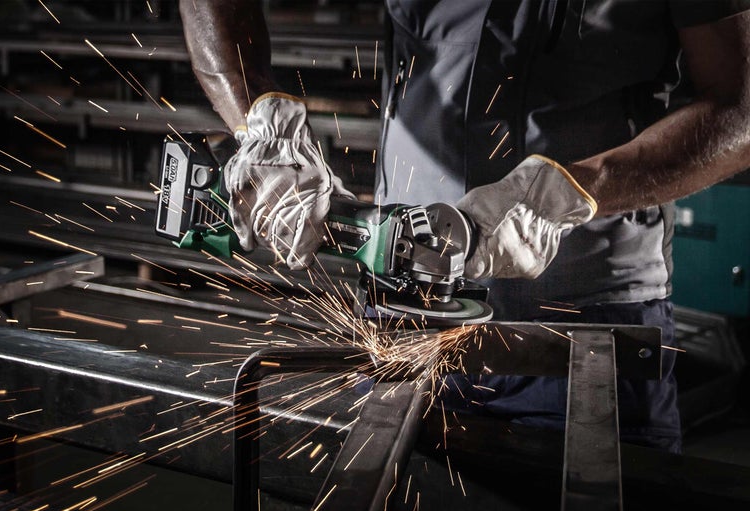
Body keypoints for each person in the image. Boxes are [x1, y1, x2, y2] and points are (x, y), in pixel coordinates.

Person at [180, 0, 750, 453]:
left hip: (588, 324)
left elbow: (741, 107)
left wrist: (572, 192)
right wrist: (261, 123)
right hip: (405, 318)